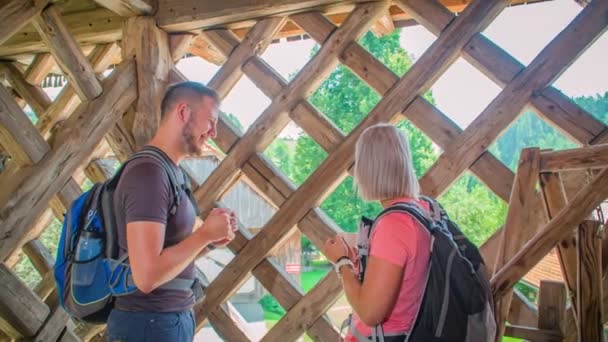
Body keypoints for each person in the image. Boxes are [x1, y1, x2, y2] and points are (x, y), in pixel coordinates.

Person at [106, 82, 236, 342]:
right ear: (184, 112)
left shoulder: (169, 171)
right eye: (210, 121)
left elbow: (167, 255)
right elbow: (147, 275)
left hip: (164, 321)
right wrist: (204, 235)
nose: (214, 131)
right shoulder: (149, 173)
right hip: (148, 324)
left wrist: (209, 242)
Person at [323, 123, 431, 342]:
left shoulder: (393, 224)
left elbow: (371, 313)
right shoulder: (422, 209)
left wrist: (341, 262)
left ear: (368, 169)